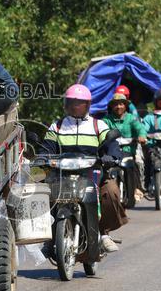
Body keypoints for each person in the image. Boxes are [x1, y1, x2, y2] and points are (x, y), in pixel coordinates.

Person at [41, 84, 127, 253]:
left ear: (87, 105)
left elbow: (112, 144)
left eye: (79, 103)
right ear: (66, 104)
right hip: (61, 174)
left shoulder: (98, 125)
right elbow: (46, 148)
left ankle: (103, 233)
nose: (75, 106)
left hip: (92, 172)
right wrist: (42, 158)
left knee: (111, 192)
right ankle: (50, 237)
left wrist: (112, 156)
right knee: (41, 193)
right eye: (72, 102)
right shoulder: (57, 126)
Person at [104, 92, 148, 196]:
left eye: (121, 104)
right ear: (111, 106)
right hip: (112, 152)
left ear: (125, 106)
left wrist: (142, 136)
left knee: (137, 165)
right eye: (115, 104)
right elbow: (101, 130)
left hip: (128, 152)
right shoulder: (106, 120)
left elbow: (140, 128)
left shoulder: (131, 118)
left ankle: (137, 187)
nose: (118, 107)